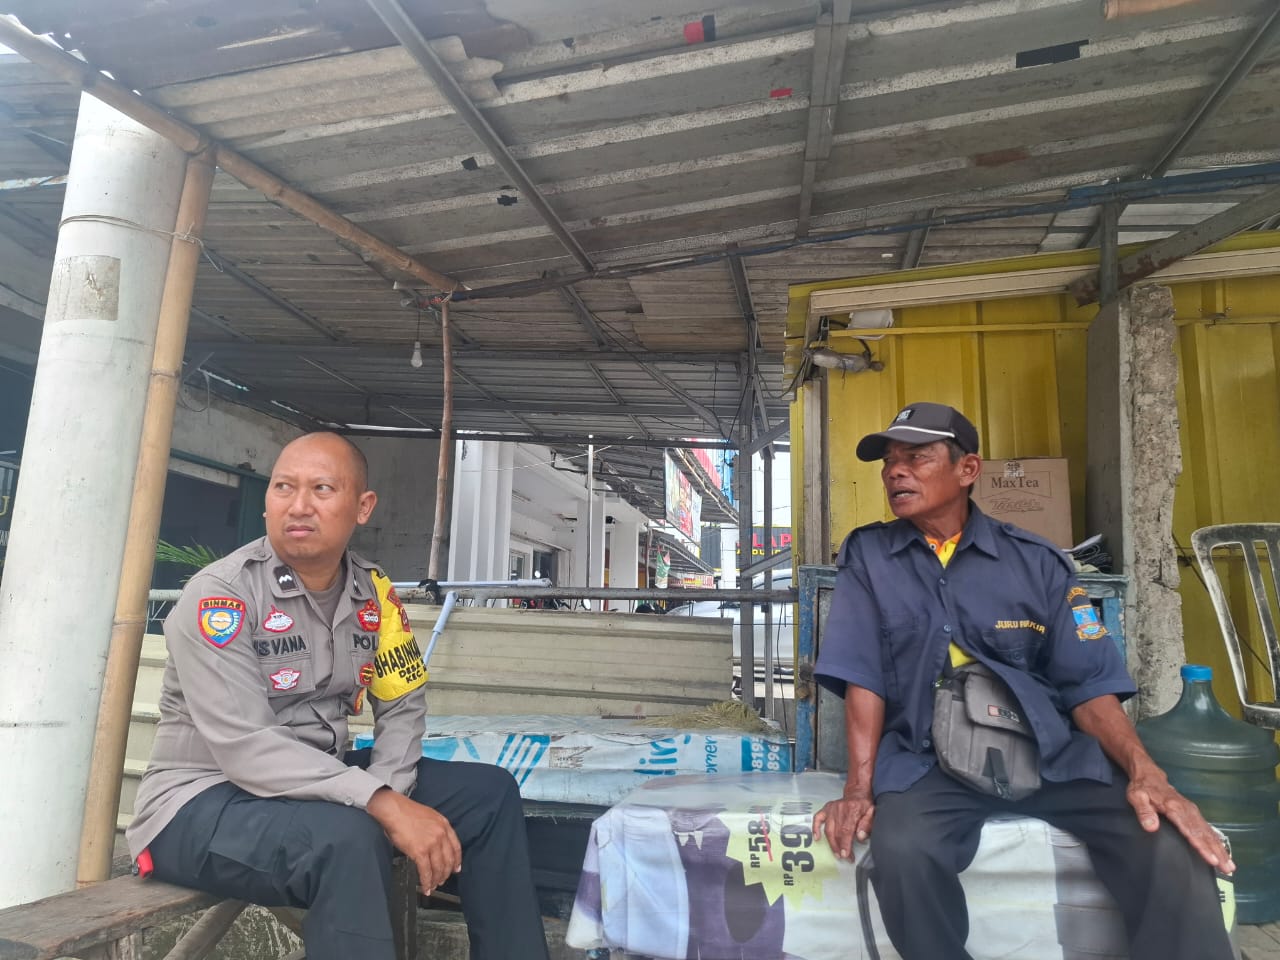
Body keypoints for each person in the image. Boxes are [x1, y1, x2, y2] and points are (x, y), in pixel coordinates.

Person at [810, 402, 1233, 960]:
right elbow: (862, 674)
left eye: (916, 457)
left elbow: (1088, 685)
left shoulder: (1037, 562)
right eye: (889, 462)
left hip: (1048, 753)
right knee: (905, 852)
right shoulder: (870, 555)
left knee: (1167, 845)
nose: (895, 472)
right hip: (926, 762)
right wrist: (858, 791)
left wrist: (1146, 772)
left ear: (967, 469)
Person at [126, 431, 550, 960]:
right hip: (202, 801)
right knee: (347, 838)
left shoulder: (373, 593)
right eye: (283, 487)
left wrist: (390, 788)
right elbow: (246, 745)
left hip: (316, 785)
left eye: (322, 489)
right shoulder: (222, 596)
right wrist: (379, 802)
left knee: (488, 794)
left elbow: (402, 704)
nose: (298, 505)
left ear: (363, 506)